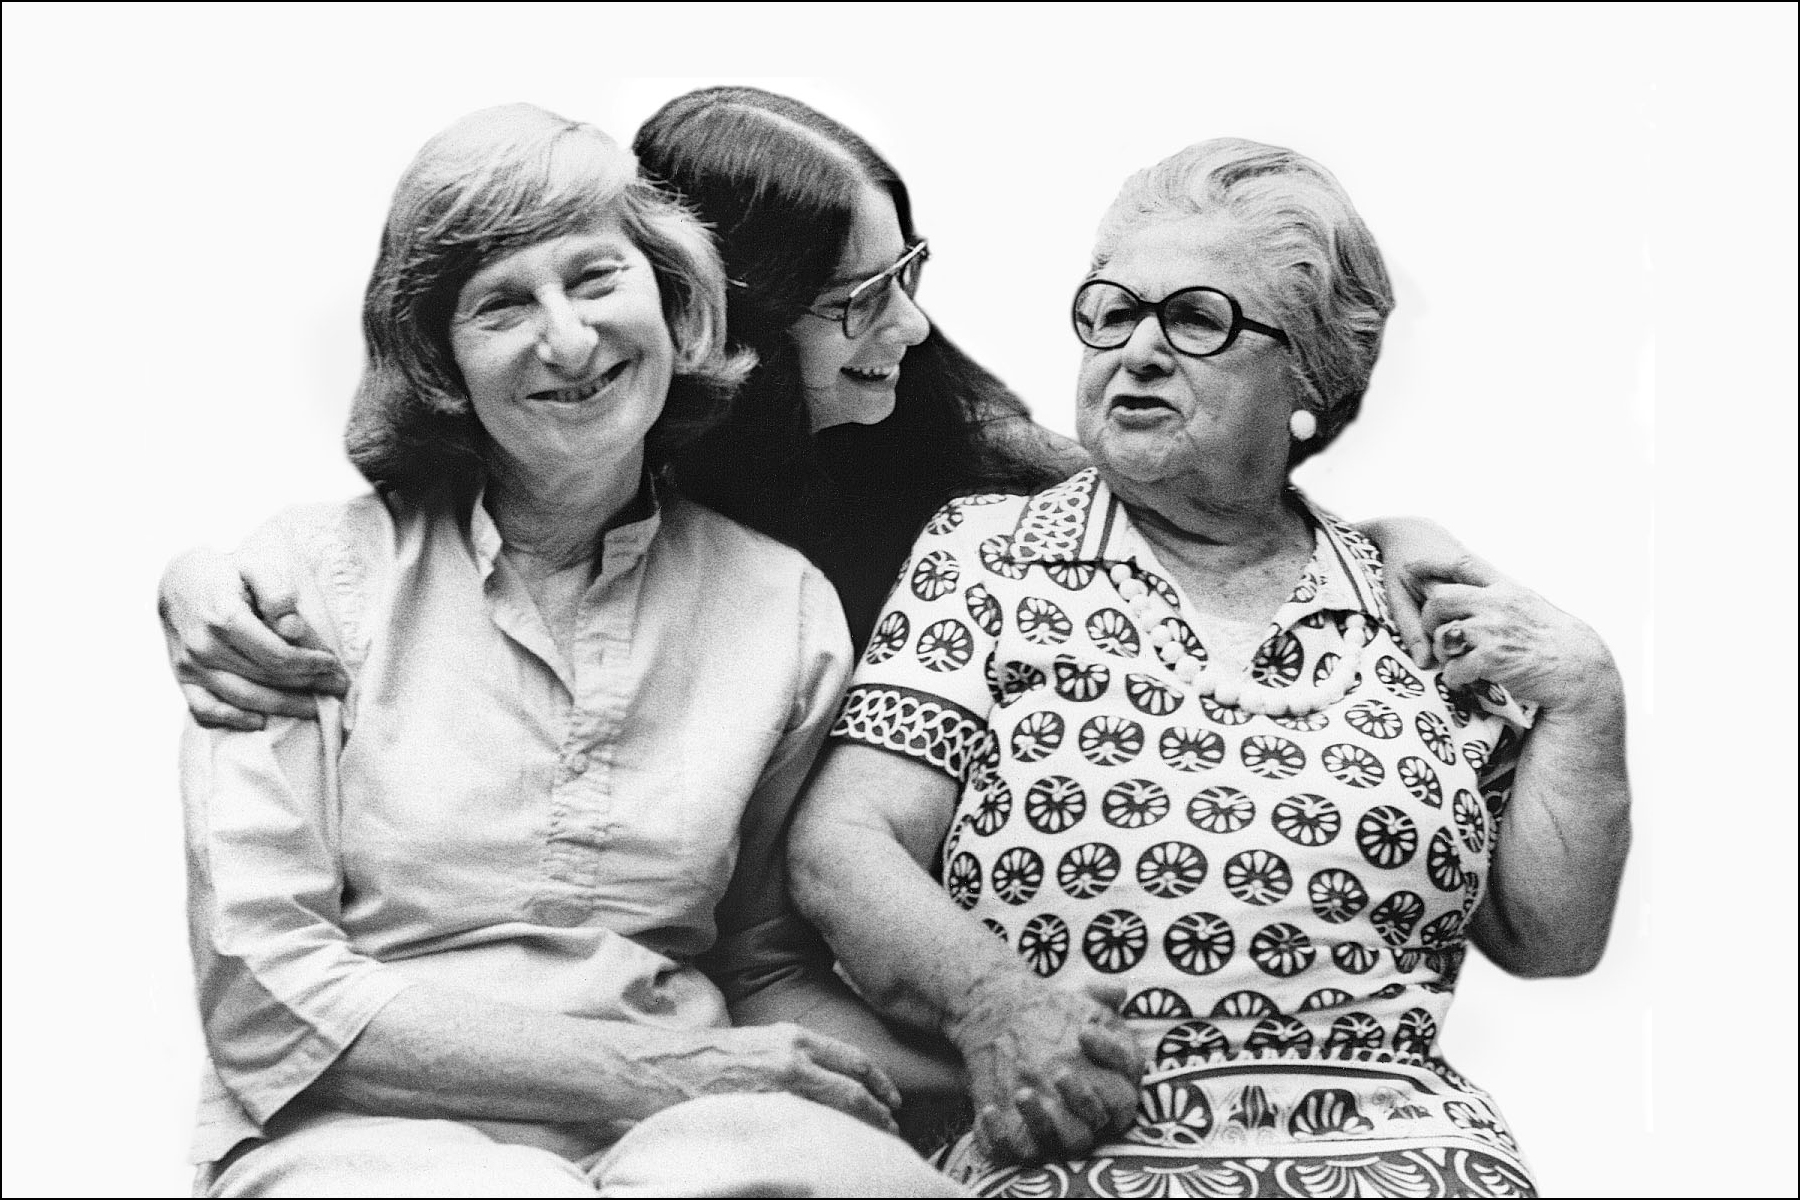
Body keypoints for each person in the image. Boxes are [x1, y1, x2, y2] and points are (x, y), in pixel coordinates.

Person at [787, 137, 1631, 1197]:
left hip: (1405, 1159)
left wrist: (1588, 693)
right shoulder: (991, 555)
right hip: (1090, 1148)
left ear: (1310, 378)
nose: (1137, 351)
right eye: (1112, 312)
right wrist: (995, 1004)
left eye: (1195, 319)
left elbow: (1551, 935)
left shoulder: (1406, 602)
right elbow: (844, 844)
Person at [180, 102, 960, 1196]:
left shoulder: (779, 604)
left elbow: (761, 961)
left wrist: (1010, 1048)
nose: (570, 339)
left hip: (696, 1124)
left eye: (596, 280)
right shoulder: (303, 585)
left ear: (673, 299)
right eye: (502, 304)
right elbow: (264, 995)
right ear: (440, 362)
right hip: (369, 1131)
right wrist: (652, 1071)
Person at [158, 86, 1466, 729]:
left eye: (912, 278)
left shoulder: (945, 442)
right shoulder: (584, 425)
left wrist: (1364, 547)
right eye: (855, 302)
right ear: (718, 322)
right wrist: (203, 578)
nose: (908, 327)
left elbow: (1148, 489)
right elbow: (387, 517)